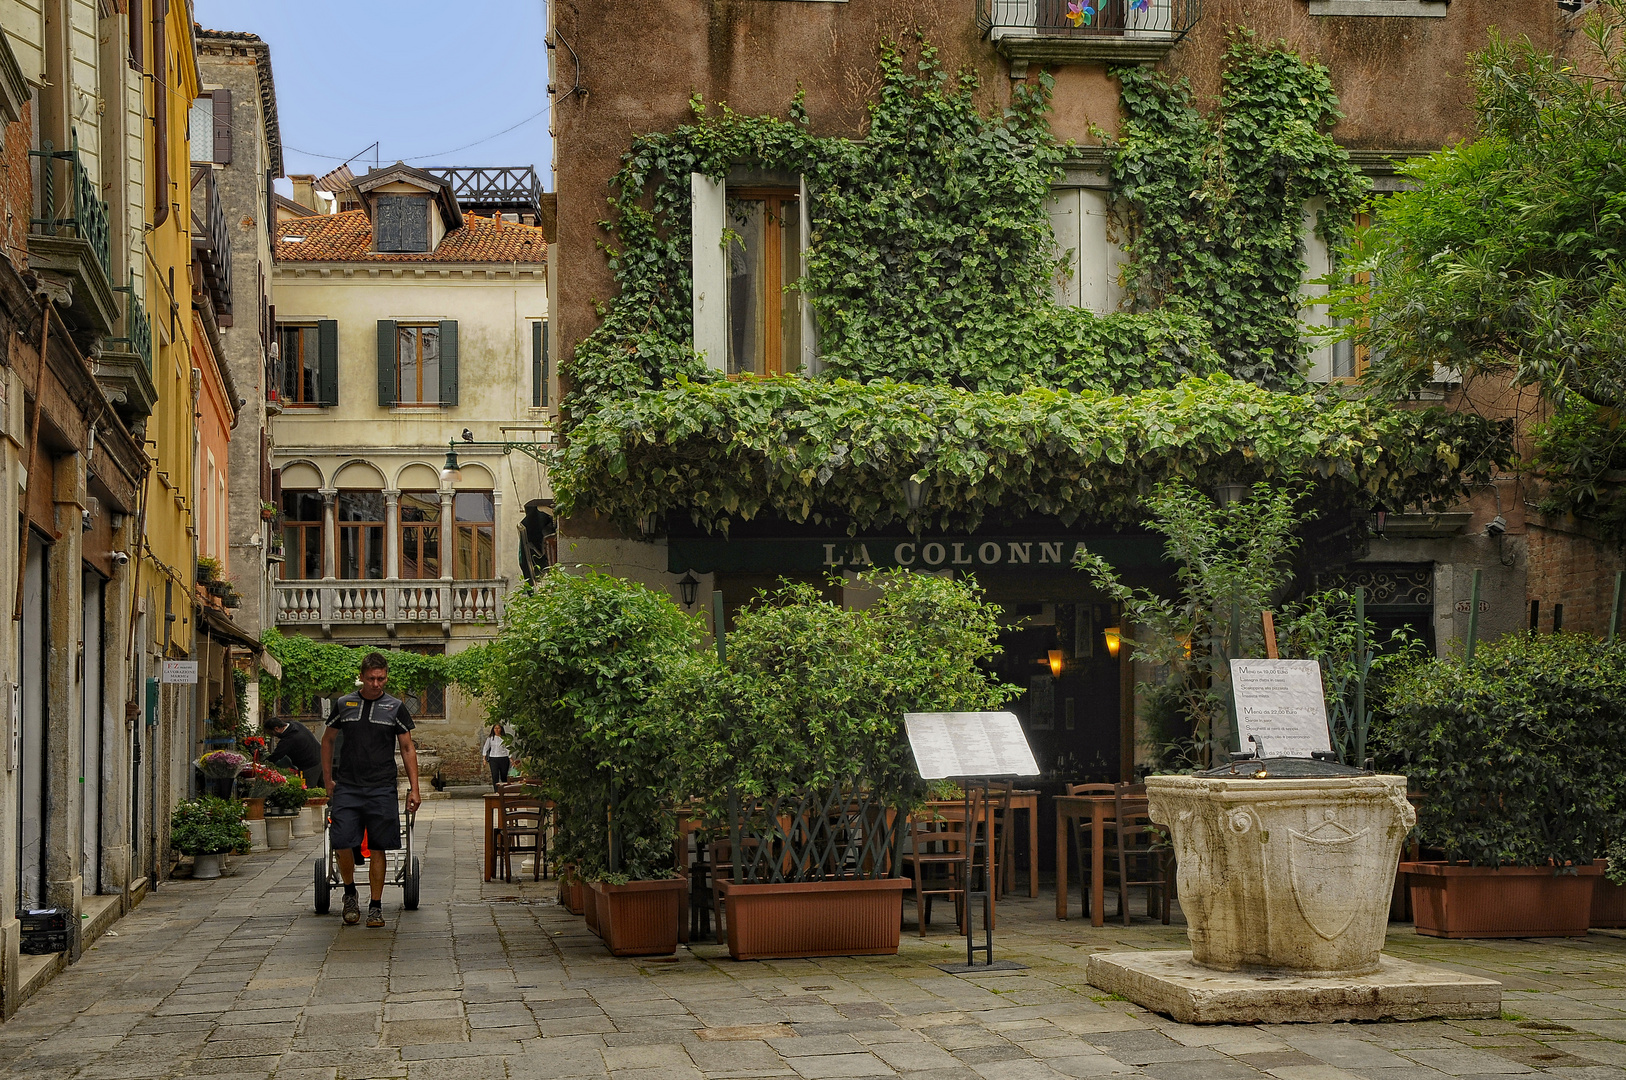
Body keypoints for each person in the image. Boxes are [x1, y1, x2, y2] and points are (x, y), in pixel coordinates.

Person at [321, 652, 421, 927]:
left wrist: (415, 788)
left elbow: (407, 747)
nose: (377, 684)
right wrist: (328, 779)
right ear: (362, 677)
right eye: (371, 678)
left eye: (381, 678)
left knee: (379, 847)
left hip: (382, 787)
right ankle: (350, 892)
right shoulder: (344, 704)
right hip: (349, 786)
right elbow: (327, 740)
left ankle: (375, 906)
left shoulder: (395, 707)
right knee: (341, 840)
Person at [266, 717, 322, 790]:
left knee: (307, 791)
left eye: (271, 733)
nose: (272, 736)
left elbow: (275, 756)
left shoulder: (288, 740)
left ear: (276, 729)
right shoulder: (296, 724)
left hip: (310, 766)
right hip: (322, 758)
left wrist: (263, 764)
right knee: (327, 789)